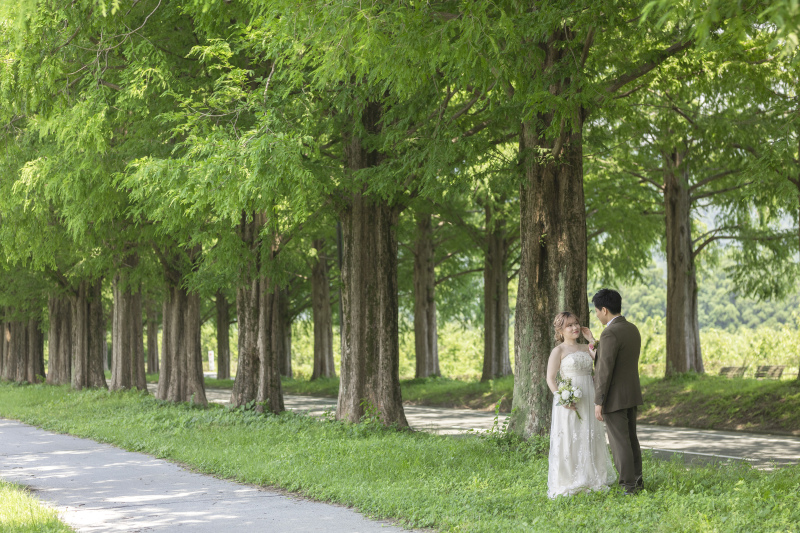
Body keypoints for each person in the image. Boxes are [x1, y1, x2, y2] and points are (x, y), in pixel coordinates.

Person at [546, 311, 616, 499]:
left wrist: (592, 338)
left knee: (589, 434)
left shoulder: (587, 348)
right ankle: (570, 479)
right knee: (570, 435)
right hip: (570, 399)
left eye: (576, 323)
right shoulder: (558, 351)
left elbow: (602, 362)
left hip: (589, 395)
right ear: (560, 330)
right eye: (569, 325)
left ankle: (592, 476)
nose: (575, 327)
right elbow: (550, 379)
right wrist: (562, 398)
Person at [584, 288, 644, 495]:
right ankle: (637, 480)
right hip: (631, 393)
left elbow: (604, 370)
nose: (597, 315)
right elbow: (617, 361)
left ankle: (628, 486)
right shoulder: (632, 328)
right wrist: (596, 351)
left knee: (619, 444)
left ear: (604, 309)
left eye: (597, 311)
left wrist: (598, 401)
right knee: (630, 439)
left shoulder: (609, 332)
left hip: (614, 397)